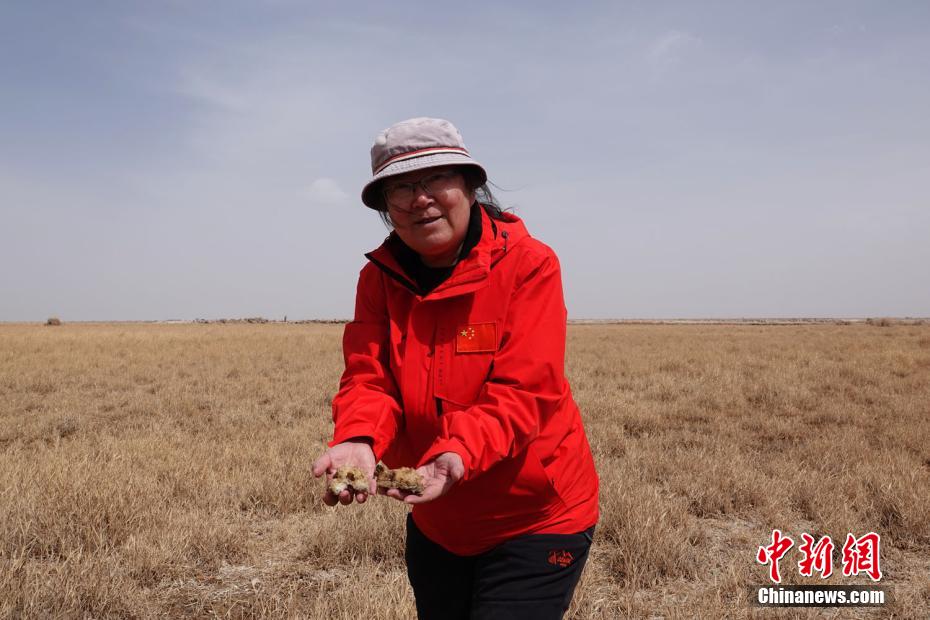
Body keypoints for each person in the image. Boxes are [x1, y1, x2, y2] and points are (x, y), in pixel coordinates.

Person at [312, 117, 599, 619]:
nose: (419, 198)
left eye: (435, 178)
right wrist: (359, 436)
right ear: (386, 207)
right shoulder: (378, 280)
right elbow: (369, 378)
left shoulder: (529, 264)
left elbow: (524, 390)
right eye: (400, 187)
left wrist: (457, 452)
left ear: (469, 185)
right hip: (437, 517)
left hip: (535, 517)